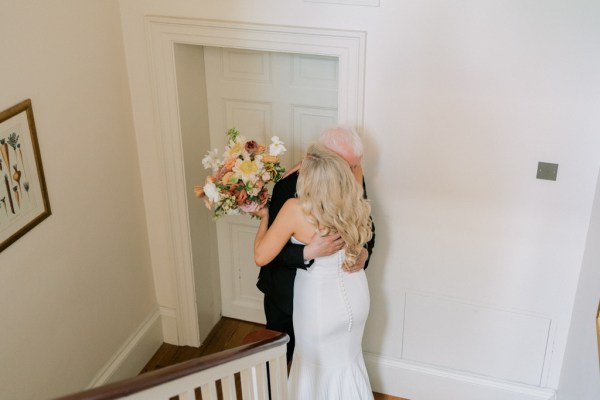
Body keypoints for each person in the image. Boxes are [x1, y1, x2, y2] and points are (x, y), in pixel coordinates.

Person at [254, 142, 374, 399]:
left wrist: (265, 217)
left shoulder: (296, 210)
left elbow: (261, 256)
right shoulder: (353, 194)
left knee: (314, 371)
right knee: (347, 363)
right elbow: (354, 168)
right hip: (355, 294)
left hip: (320, 306)